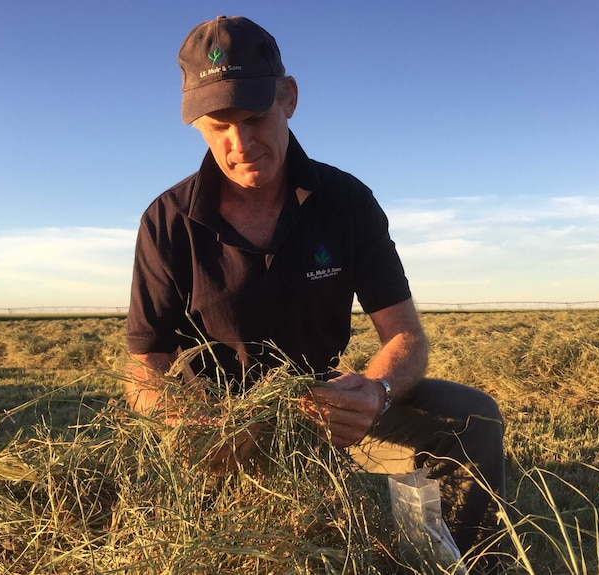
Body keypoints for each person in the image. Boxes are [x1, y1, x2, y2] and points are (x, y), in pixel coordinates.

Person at [124, 15, 505, 572]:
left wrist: (374, 392)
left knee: (473, 415)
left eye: (254, 117)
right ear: (197, 125)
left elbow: (405, 336)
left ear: (289, 97)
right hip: (213, 428)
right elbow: (144, 365)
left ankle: (460, 561)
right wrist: (180, 420)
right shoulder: (166, 221)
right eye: (217, 126)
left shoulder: (347, 202)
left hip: (318, 414)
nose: (240, 143)